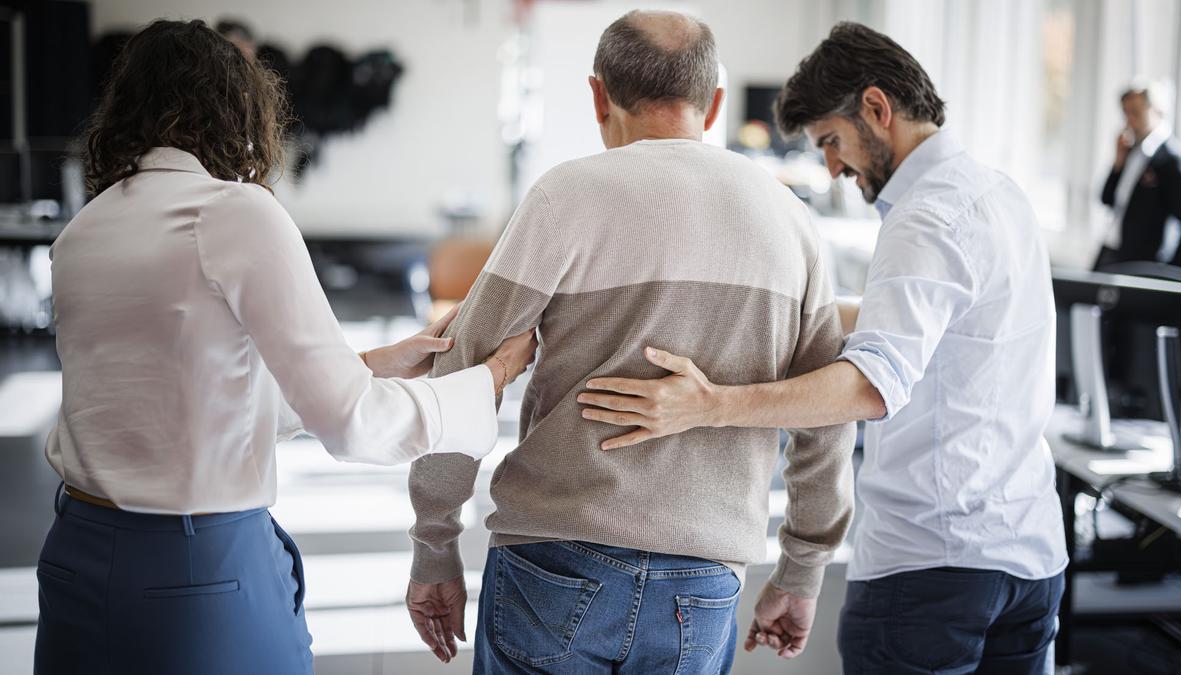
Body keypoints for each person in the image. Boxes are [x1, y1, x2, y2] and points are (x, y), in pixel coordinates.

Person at [36, 20, 536, 675]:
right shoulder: (233, 212)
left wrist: (370, 364)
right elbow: (354, 424)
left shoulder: (84, 231)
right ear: (235, 107)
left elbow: (189, 398)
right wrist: (487, 380)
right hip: (196, 576)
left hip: (77, 558)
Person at [580, 22, 1068, 674]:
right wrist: (783, 309)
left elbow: (869, 384)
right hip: (1031, 560)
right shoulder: (999, 195)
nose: (834, 169)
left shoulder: (923, 216)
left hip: (934, 567)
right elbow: (926, 328)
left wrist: (709, 405)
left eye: (831, 142)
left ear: (876, 107)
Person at [404, 10, 855, 673]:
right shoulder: (792, 222)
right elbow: (824, 413)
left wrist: (434, 543)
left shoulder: (565, 196)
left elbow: (464, 370)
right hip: (702, 579)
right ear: (715, 102)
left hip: (552, 562)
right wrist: (802, 569)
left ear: (597, 95)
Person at [1095, 79, 1181, 270]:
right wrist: (1118, 162)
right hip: (1114, 250)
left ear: (1157, 110)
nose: (1129, 120)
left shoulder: (1172, 159)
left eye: (1135, 112)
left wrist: (1172, 274)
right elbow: (1107, 199)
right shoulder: (1132, 150)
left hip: (1145, 263)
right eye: (1125, 113)